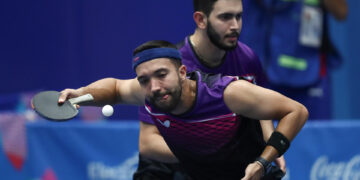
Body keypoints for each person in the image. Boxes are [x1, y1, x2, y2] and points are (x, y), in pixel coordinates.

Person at [59, 40, 308, 180]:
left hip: (248, 174)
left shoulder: (228, 93)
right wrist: (80, 94)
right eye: (144, 79)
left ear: (181, 72)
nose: (154, 86)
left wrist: (263, 162)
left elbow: (296, 111)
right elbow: (114, 88)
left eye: (161, 75)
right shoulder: (148, 92)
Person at [135, 0, 286, 179]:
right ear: (201, 20)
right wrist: (206, 157)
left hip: (228, 158)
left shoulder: (247, 59)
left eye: (239, 16)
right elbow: (148, 143)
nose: (235, 26)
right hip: (181, 162)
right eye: (225, 17)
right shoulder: (168, 68)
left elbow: (262, 108)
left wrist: (270, 145)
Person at [239, 0, 348, 119]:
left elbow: (341, 12)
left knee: (315, 135)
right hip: (259, 69)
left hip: (310, 70)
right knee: (259, 134)